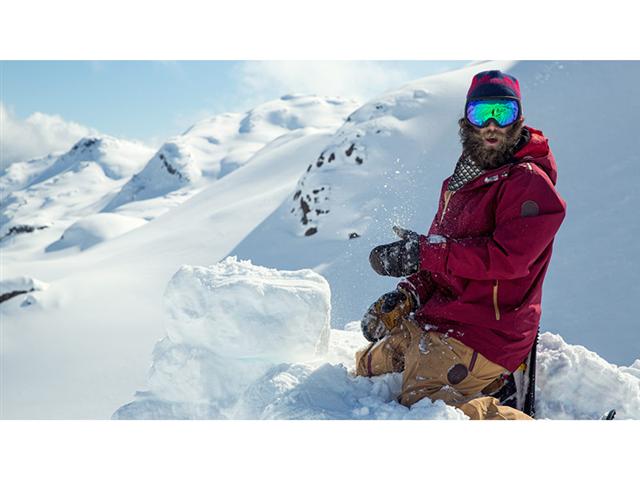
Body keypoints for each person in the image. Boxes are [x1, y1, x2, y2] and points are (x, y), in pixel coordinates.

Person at [356, 70, 567, 420]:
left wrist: (422, 252)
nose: (492, 125)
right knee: (365, 370)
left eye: (504, 113)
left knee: (424, 410)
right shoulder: (459, 183)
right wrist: (408, 294)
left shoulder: (528, 183)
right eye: (481, 113)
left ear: (519, 119)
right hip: (440, 320)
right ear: (466, 120)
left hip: (487, 332)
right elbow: (441, 257)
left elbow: (507, 259)